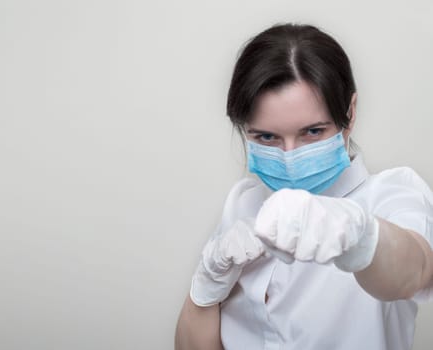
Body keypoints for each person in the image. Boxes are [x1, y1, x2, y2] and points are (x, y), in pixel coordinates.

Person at [175, 23, 433, 350]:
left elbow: (416, 270)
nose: (290, 157)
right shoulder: (243, 203)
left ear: (349, 114)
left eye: (312, 132)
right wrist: (206, 287)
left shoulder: (393, 193)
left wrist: (361, 236)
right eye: (266, 137)